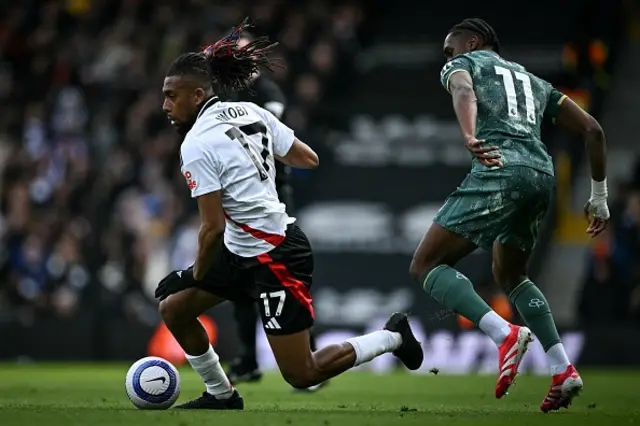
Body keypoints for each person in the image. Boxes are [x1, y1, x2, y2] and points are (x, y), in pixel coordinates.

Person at [155, 19, 424, 410]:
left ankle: (393, 336)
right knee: (175, 310)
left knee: (302, 373)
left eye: (171, 96)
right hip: (242, 250)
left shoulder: (196, 144)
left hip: (274, 255)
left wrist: (189, 274)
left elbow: (211, 227)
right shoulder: (250, 111)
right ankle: (221, 394)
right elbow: (308, 158)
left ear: (197, 95)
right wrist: (261, 164)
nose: (165, 105)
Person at [409, 18, 609, 412]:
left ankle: (503, 334)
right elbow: (593, 130)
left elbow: (463, 87)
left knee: (425, 264)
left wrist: (469, 135)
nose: (447, 58)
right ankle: (562, 368)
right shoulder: (535, 82)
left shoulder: (465, 64)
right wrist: (599, 196)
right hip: (541, 175)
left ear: (475, 41)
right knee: (512, 275)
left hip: (500, 168)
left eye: (452, 49)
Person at [222, 32, 325, 392]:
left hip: (271, 198)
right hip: (239, 200)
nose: (237, 58)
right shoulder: (228, 95)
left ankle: (306, 354)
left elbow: (280, 145)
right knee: (240, 283)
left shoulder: (268, 96)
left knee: (282, 277)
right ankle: (248, 359)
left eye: (242, 53)